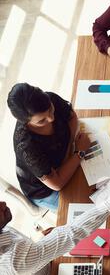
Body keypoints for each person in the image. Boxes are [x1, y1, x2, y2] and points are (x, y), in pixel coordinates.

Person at [7, 83, 91, 212]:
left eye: (51, 110)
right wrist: (79, 152)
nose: (51, 119)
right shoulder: (26, 146)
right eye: (41, 121)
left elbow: (72, 117)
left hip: (66, 159)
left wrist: (69, 149)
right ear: (26, 122)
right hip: (45, 190)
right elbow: (56, 184)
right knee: (89, 207)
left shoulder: (50, 99)